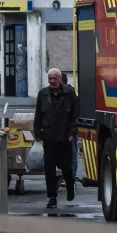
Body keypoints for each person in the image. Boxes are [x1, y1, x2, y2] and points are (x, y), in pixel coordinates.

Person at [34, 68, 77, 210]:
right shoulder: (43, 94)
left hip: (65, 138)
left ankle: (70, 186)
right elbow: (38, 115)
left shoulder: (69, 94)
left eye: (55, 79)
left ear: (60, 80)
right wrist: (37, 133)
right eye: (50, 78)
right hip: (48, 138)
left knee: (66, 168)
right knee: (49, 170)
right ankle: (52, 197)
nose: (52, 81)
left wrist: (72, 133)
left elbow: (75, 116)